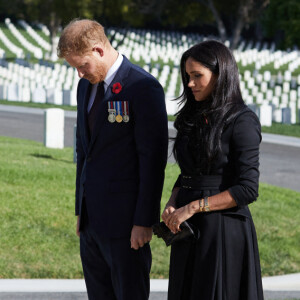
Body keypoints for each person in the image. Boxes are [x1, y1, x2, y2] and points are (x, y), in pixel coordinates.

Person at [57, 19, 168, 300]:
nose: (79, 74)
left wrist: (144, 221)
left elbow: (152, 161)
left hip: (126, 224)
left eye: (82, 65)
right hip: (92, 221)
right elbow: (85, 151)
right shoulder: (87, 88)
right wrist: (80, 210)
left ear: (98, 50)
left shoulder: (142, 87)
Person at [162, 40, 264, 300]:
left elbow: (247, 188)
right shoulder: (192, 118)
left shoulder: (242, 121)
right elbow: (189, 171)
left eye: (198, 76)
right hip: (187, 227)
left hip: (222, 229)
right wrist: (173, 202)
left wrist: (194, 206)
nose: (190, 83)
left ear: (221, 75)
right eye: (187, 76)